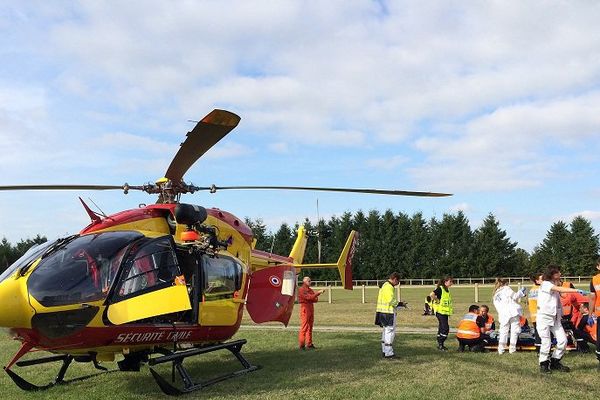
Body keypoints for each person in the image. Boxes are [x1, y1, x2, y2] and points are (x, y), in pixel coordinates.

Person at [536, 265, 588, 373]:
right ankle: (544, 364)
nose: (560, 274)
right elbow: (558, 289)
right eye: (559, 272)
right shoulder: (546, 284)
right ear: (553, 274)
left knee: (563, 341)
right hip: (544, 318)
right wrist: (575, 290)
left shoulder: (554, 284)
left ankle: (555, 361)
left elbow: (559, 295)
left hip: (555, 318)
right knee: (546, 342)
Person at [492, 278, 527, 354]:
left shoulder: (495, 294)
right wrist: (521, 292)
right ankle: (512, 349)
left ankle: (501, 349)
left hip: (503, 314)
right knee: (515, 330)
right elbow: (515, 296)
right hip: (512, 312)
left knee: (503, 332)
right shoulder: (506, 288)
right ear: (506, 283)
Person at [375, 272, 403, 359]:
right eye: (397, 282)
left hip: (383, 312)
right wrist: (400, 304)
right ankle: (389, 353)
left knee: (385, 331)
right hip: (388, 313)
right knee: (389, 332)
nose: (397, 284)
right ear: (395, 279)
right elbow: (391, 300)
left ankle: (385, 351)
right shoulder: (388, 287)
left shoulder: (385, 285)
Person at [298, 276, 324, 350]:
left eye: (310, 281)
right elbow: (309, 297)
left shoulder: (309, 290)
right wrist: (317, 293)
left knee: (310, 327)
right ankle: (301, 345)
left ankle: (309, 344)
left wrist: (313, 296)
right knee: (304, 327)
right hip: (305, 308)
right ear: (304, 282)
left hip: (310, 307)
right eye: (309, 281)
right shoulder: (302, 289)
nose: (310, 282)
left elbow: (315, 299)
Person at [430, 276, 454, 351]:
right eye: (450, 281)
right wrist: (437, 300)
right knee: (445, 328)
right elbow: (431, 294)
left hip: (445, 312)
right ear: (445, 282)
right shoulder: (441, 289)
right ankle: (441, 342)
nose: (452, 283)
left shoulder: (447, 290)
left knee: (441, 327)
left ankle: (440, 344)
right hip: (440, 312)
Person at [588, 257, 600, 364]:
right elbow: (592, 298)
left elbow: (592, 298)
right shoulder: (594, 280)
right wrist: (590, 314)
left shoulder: (594, 280)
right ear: (597, 267)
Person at [527, 273, 542, 350]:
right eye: (542, 279)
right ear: (537, 281)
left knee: (537, 332)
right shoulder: (540, 290)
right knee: (542, 333)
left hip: (533, 315)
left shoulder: (531, 290)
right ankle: (540, 349)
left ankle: (538, 347)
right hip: (540, 315)